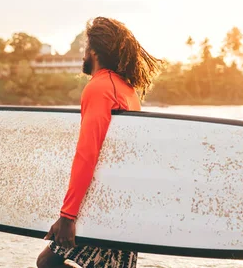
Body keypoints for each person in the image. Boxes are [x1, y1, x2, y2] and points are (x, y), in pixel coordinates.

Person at [37, 17, 162, 268]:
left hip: (108, 211)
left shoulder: (99, 87)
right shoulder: (127, 90)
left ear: (93, 51)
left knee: (48, 263)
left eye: (85, 48)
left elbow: (88, 153)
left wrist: (68, 216)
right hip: (123, 206)